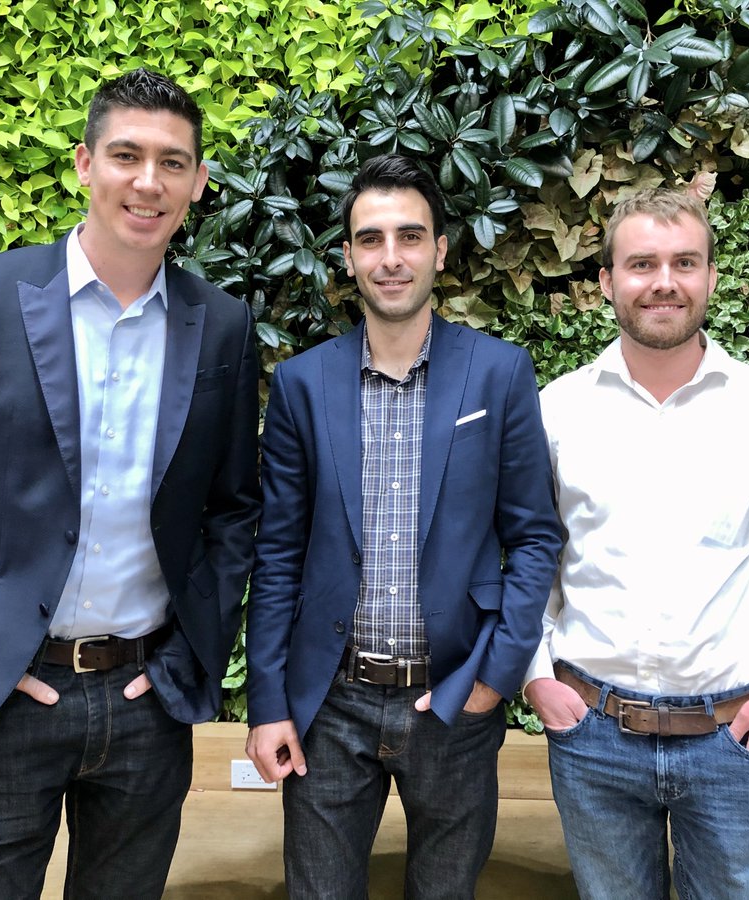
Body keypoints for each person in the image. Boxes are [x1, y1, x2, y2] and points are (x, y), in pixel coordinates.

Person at [0, 68, 260, 898]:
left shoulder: (221, 324)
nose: (148, 182)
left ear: (198, 182)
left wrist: (190, 660)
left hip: (148, 701)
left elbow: (232, 510)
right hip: (3, 694)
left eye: (173, 163)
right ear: (84, 163)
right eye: (126, 155)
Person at [244, 154, 562, 899]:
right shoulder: (301, 383)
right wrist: (268, 704)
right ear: (348, 256)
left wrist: (494, 679)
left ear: (440, 251)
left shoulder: (499, 373)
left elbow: (535, 535)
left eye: (410, 237)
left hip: (452, 702)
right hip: (330, 705)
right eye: (372, 239)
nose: (391, 257)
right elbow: (279, 552)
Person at [524, 187, 749, 899]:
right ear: (606, 281)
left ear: (711, 277)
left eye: (684, 262)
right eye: (641, 264)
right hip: (594, 739)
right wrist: (537, 675)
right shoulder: (557, 412)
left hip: (734, 739)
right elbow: (531, 561)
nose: (663, 282)